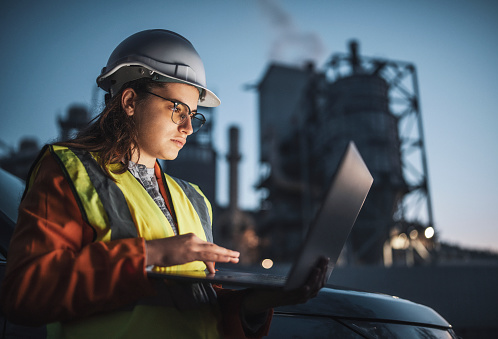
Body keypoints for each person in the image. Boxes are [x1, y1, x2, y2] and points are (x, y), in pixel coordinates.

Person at [0, 29, 327, 338]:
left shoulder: (193, 199)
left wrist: (267, 300)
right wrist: (153, 253)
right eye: (176, 109)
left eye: (194, 115)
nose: (188, 127)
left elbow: (201, 308)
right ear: (129, 102)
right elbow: (26, 293)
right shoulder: (69, 170)